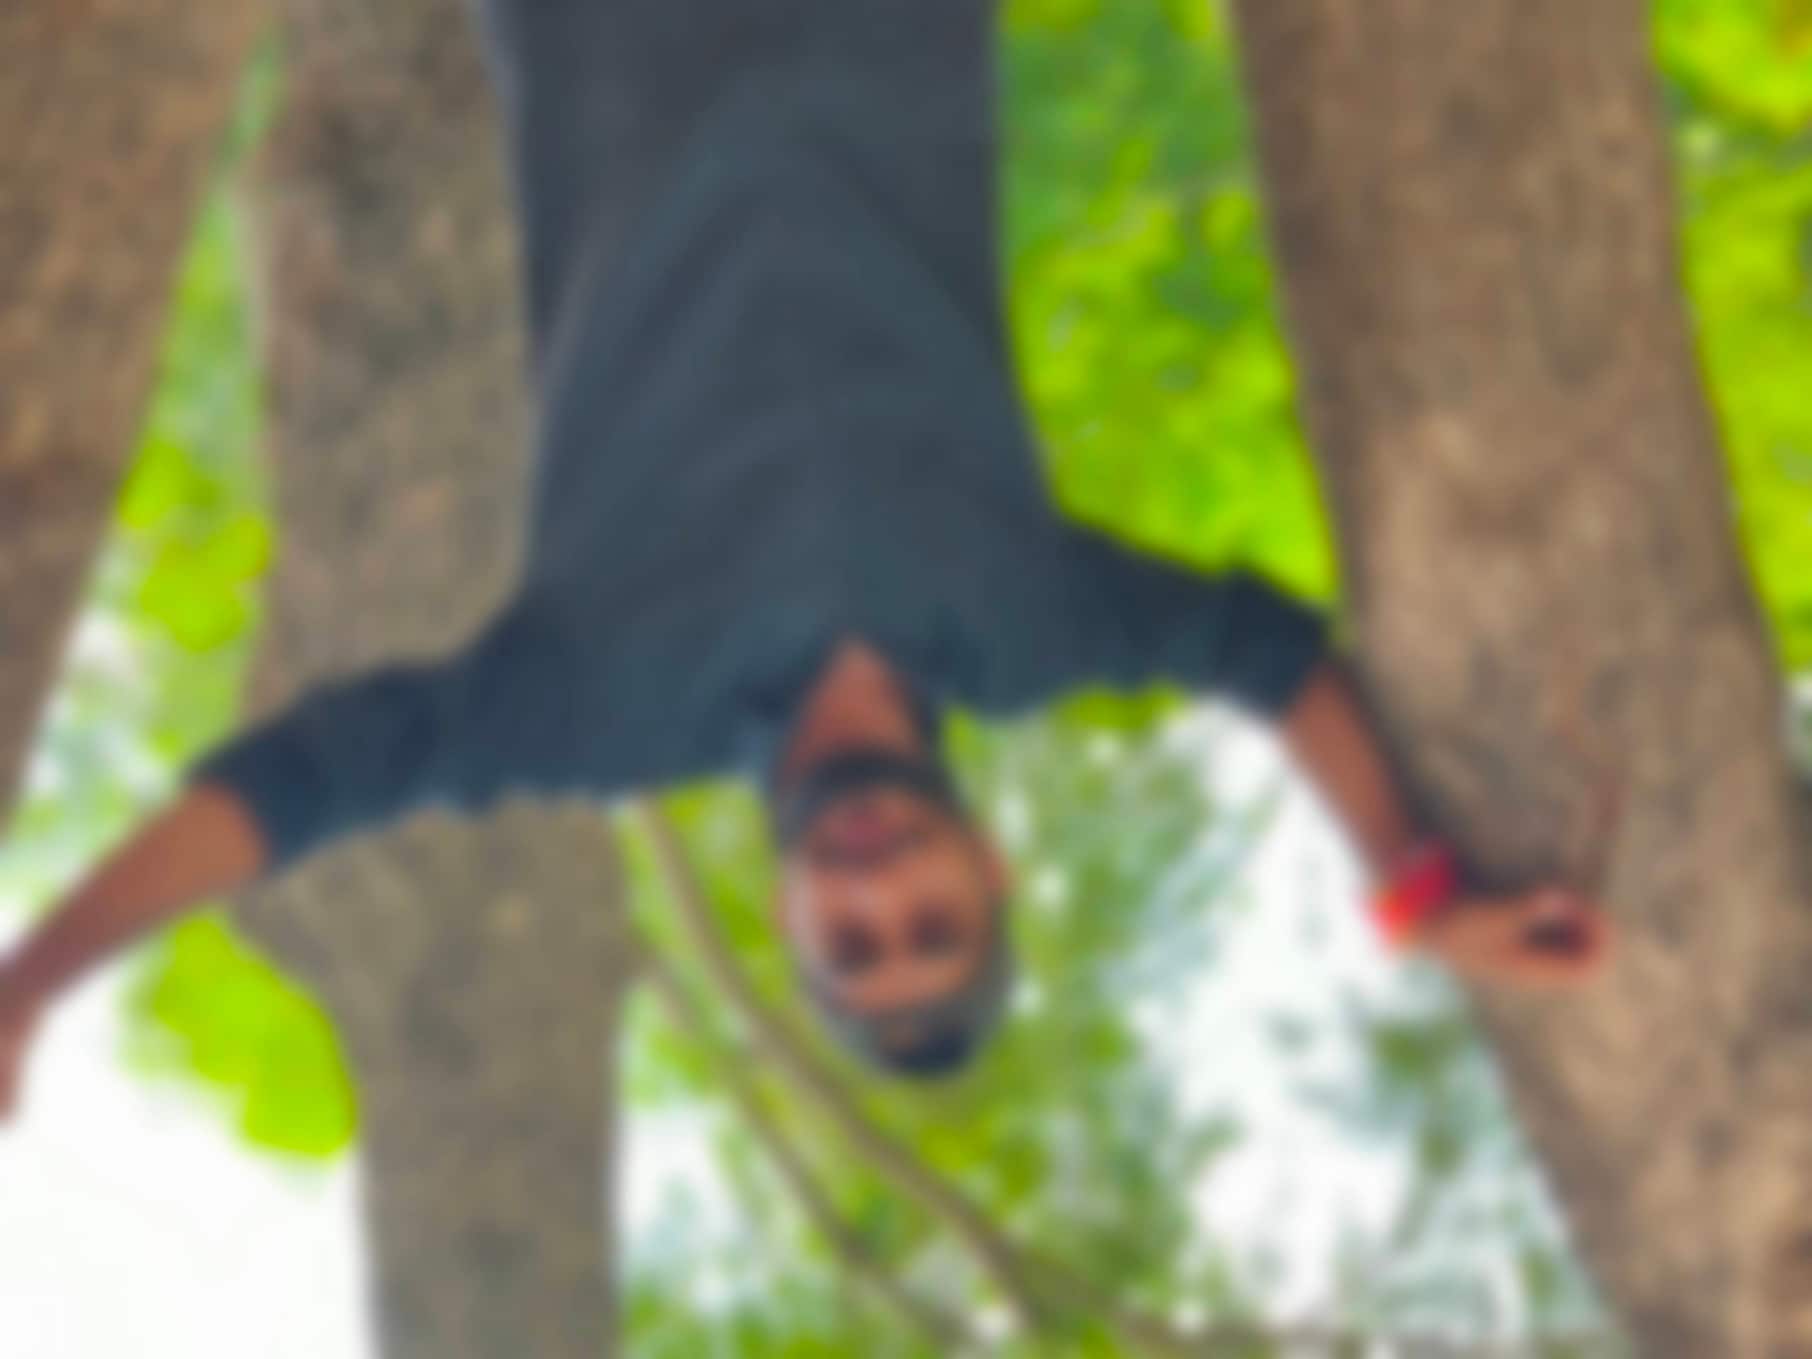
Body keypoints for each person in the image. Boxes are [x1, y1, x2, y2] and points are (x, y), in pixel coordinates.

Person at [0, 0, 1610, 1115]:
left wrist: (35, 978)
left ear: (787, 918)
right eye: (933, 922)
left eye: (852, 945)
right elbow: (1274, 661)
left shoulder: (596, 708)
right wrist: (1413, 892)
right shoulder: (1037, 626)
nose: (880, 892)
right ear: (990, 870)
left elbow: (313, 783)